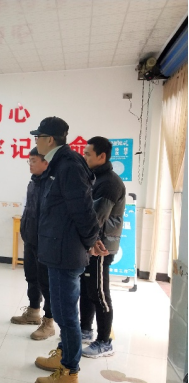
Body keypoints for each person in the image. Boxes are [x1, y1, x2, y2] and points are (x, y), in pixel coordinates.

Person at [30, 117, 108, 383]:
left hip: (65, 252)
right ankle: (63, 355)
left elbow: (82, 209)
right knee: (63, 310)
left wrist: (92, 239)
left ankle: (69, 372)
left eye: (38, 137)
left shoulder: (68, 165)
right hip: (58, 249)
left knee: (66, 316)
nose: (35, 141)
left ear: (49, 139)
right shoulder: (59, 164)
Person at [80, 136, 126, 357]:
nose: (84, 157)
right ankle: (85, 330)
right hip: (90, 244)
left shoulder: (109, 183)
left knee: (99, 293)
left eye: (88, 154)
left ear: (102, 156)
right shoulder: (95, 177)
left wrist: (89, 242)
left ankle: (104, 342)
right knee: (86, 289)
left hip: (100, 246)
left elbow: (97, 218)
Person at [11, 147, 56, 340]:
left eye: (33, 160)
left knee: (46, 283)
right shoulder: (33, 183)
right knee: (31, 277)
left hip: (46, 243)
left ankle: (49, 322)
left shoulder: (53, 184)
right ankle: (33, 312)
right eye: (28, 160)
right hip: (31, 239)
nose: (30, 164)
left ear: (46, 162)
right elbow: (28, 210)